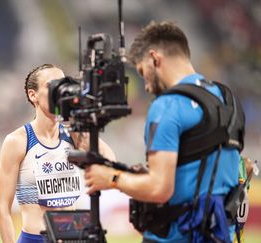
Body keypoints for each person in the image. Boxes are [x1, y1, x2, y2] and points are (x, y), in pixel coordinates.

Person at [84, 21, 246, 243]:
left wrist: (111, 178)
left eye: (143, 73)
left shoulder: (168, 105)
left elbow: (160, 189)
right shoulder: (227, 99)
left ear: (155, 58)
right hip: (221, 235)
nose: (147, 86)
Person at [0, 64, 115, 243]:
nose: (59, 93)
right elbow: (2, 208)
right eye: (52, 86)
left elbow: (109, 163)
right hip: (36, 238)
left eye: (62, 85)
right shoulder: (18, 141)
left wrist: (77, 125)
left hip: (73, 237)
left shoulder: (72, 134)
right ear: (32, 95)